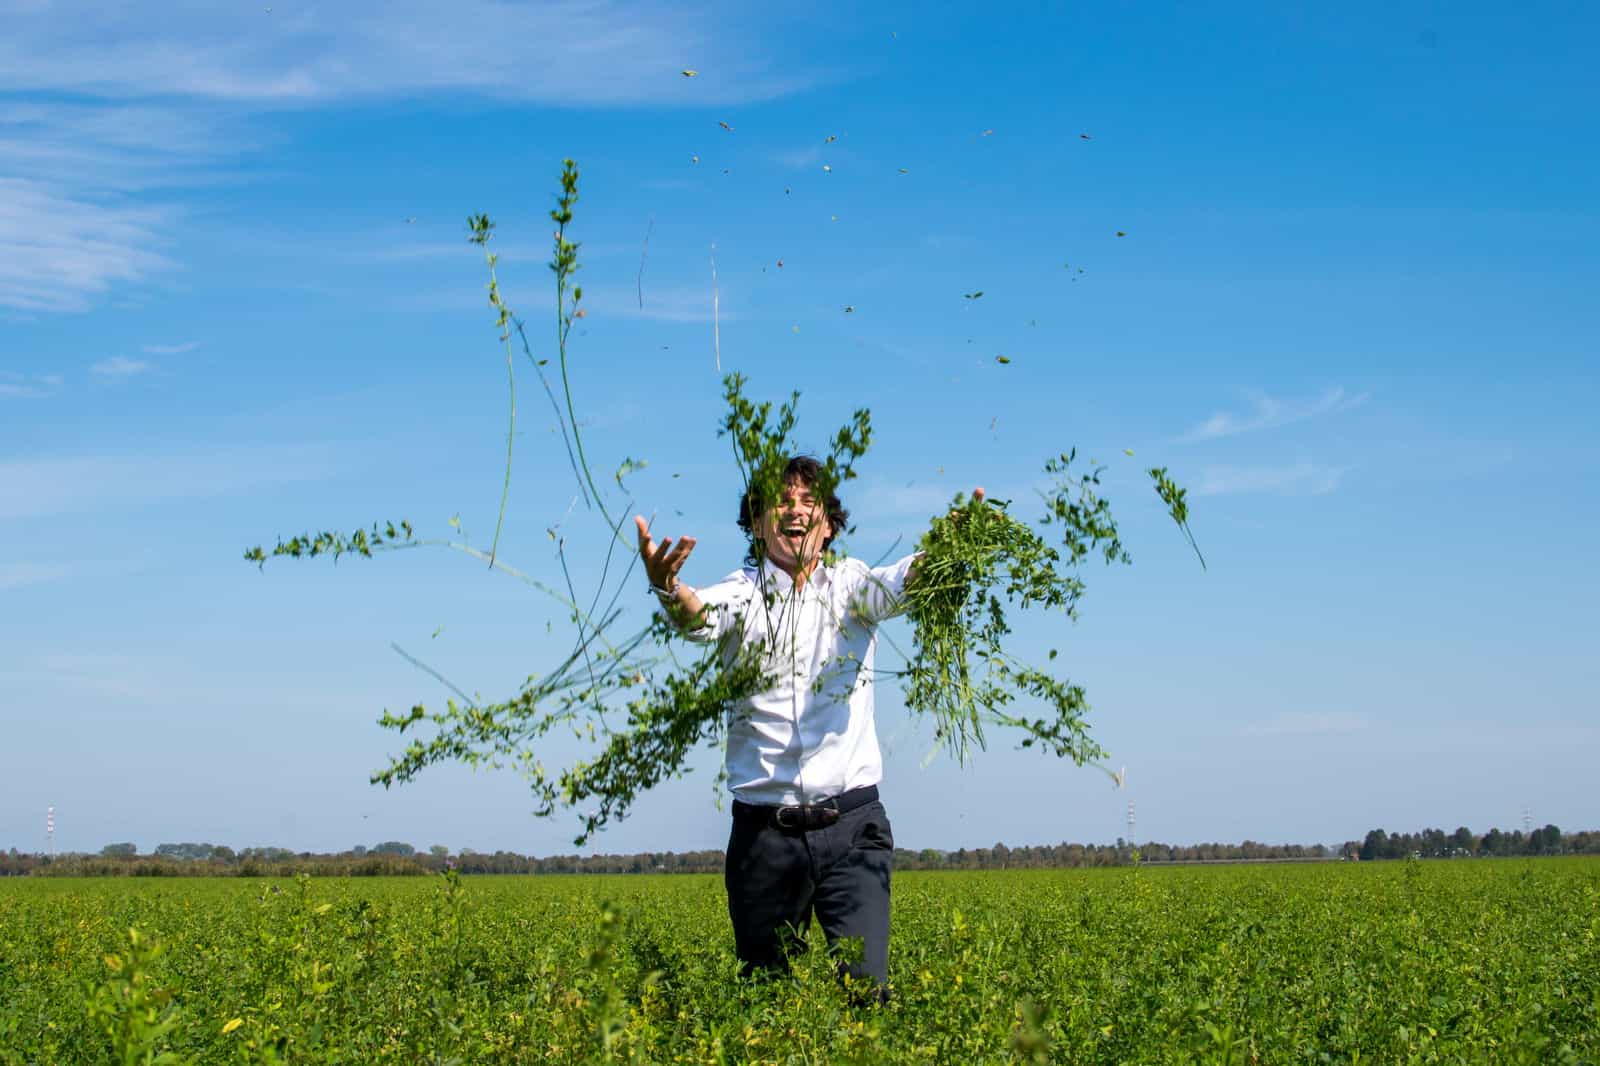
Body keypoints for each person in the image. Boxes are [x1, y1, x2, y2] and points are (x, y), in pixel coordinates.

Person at [633, 455, 982, 1001]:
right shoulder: (742, 594)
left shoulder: (851, 588)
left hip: (852, 828)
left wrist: (945, 554)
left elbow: (901, 583)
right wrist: (667, 588)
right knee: (767, 1003)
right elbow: (697, 617)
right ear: (756, 522)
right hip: (764, 838)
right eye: (780, 500)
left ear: (828, 524)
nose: (794, 510)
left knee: (867, 993)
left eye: (807, 501)